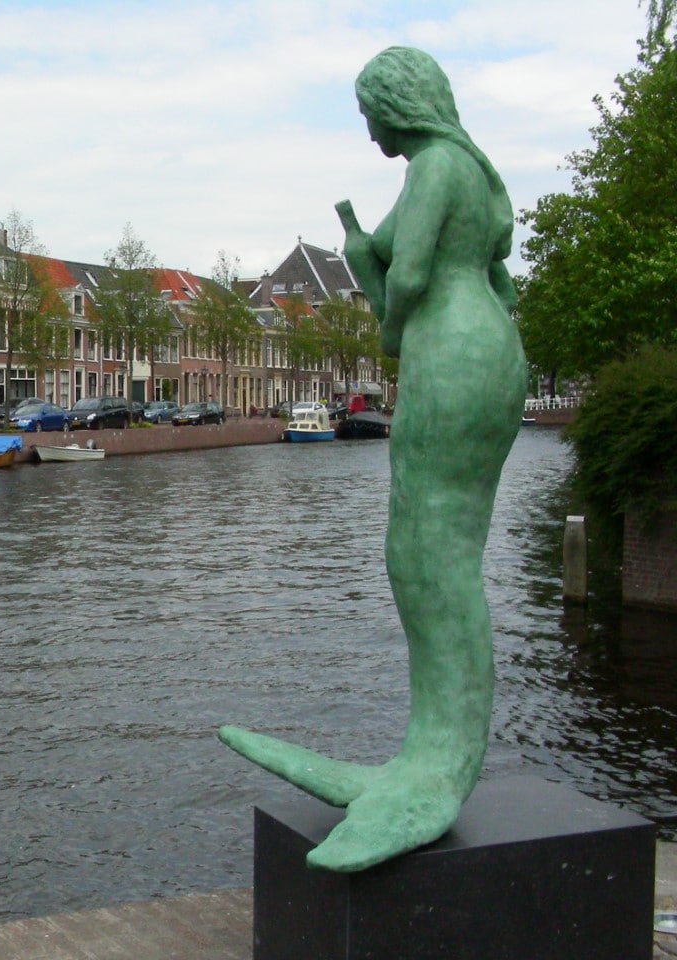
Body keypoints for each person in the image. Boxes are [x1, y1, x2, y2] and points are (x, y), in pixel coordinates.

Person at [219, 46, 527, 872]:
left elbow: (412, 275)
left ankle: (435, 770)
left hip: (451, 351)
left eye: (368, 114)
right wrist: (363, 254)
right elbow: (487, 278)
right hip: (488, 346)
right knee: (440, 551)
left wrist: (390, 327)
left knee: (426, 552)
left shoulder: (434, 167)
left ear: (398, 105)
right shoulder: (472, 172)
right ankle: (433, 750)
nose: (368, 131)